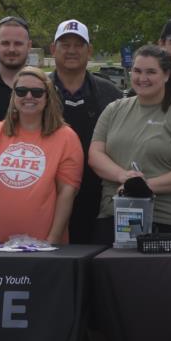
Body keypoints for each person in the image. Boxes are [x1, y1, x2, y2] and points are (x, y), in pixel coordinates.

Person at [87, 44, 171, 242]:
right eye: (137, 71)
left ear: (167, 75)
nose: (142, 78)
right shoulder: (113, 109)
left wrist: (143, 187)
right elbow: (95, 154)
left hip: (168, 222)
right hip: (115, 216)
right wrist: (124, 177)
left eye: (151, 72)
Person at [0, 65, 83, 242]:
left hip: (44, 247)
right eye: (21, 91)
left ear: (47, 97)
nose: (29, 97)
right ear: (13, 96)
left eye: (37, 92)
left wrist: (52, 240)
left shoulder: (66, 138)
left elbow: (67, 194)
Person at [46, 19, 125, 248]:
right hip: (49, 194)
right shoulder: (36, 92)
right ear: (53, 49)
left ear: (89, 50)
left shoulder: (110, 92)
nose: (71, 50)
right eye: (65, 44)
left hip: (98, 195)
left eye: (79, 45)